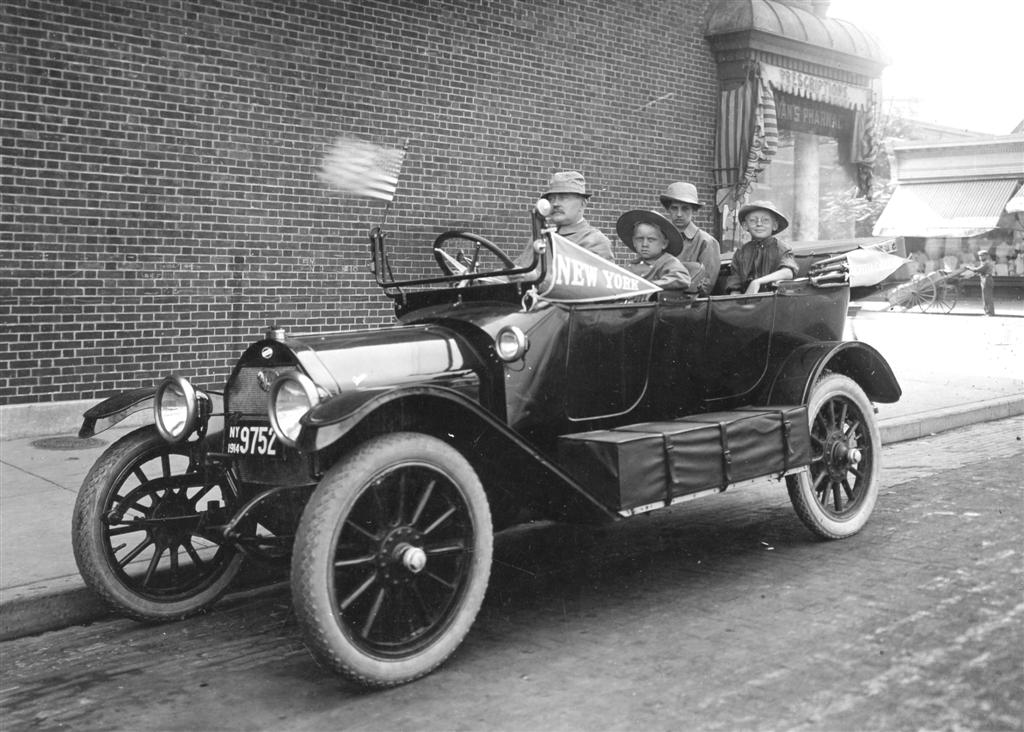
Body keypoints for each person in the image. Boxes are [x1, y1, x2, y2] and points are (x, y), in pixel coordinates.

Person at [514, 170, 613, 268]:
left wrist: (534, 276)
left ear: (582, 204)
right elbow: (519, 268)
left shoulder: (594, 241)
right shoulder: (540, 237)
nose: (555, 204)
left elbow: (597, 280)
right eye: (551, 199)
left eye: (563, 197)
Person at [724, 200, 798, 295]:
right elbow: (735, 284)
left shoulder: (782, 248)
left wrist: (757, 282)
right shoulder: (741, 253)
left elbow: (788, 272)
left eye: (765, 220)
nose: (759, 224)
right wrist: (737, 302)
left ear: (774, 225)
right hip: (747, 304)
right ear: (745, 225)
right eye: (753, 220)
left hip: (774, 302)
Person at [659, 182, 721, 292]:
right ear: (668, 209)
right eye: (674, 208)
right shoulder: (661, 238)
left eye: (685, 208)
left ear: (694, 210)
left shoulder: (706, 242)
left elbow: (705, 287)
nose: (679, 214)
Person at [616, 209, 692, 290]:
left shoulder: (668, 262)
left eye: (651, 240)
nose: (644, 244)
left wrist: (651, 286)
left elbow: (681, 278)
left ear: (664, 244)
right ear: (634, 242)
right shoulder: (631, 266)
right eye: (640, 239)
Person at [964, 248, 996, 316]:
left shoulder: (987, 263)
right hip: (984, 279)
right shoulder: (984, 263)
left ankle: (989, 312)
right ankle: (988, 312)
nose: (980, 257)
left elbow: (978, 270)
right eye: (980, 256)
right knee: (985, 296)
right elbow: (979, 272)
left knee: (987, 297)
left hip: (987, 279)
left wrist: (969, 267)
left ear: (986, 256)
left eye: (982, 255)